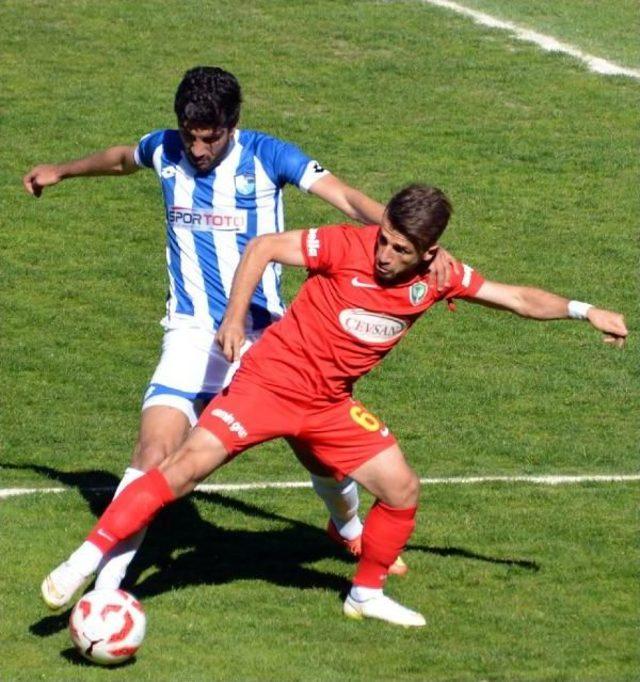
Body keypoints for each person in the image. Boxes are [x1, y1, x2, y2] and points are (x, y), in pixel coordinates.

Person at [41, 184, 627, 626]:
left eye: (400, 249)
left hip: (328, 406)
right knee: (182, 468)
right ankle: (82, 562)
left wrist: (585, 310)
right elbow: (265, 246)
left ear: (430, 253)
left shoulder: (438, 277)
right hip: (268, 385)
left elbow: (517, 297)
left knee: (401, 490)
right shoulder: (347, 244)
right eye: (386, 238)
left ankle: (365, 595)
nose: (384, 254)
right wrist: (234, 318)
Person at [25, 67, 450, 588]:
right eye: (190, 136)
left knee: (316, 447)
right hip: (190, 332)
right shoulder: (165, 150)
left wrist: (408, 233)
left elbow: (346, 198)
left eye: (211, 138)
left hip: (267, 336)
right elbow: (120, 159)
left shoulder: (269, 156)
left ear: (233, 125)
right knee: (154, 453)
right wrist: (61, 171)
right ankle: (106, 592)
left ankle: (347, 526)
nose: (198, 149)